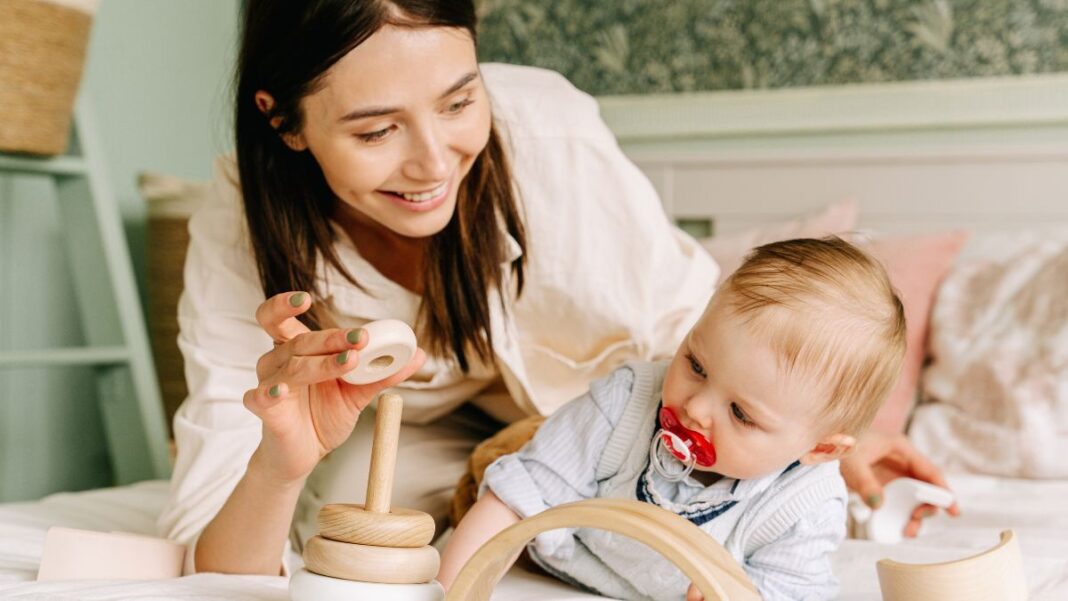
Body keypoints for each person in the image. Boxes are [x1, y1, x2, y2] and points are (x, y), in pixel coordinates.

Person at [159, 0, 958, 578]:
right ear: (284, 121)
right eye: (375, 131)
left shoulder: (553, 139)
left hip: (604, 417)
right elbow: (212, 553)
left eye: (460, 101)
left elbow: (707, 345)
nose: (435, 164)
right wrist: (279, 460)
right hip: (430, 438)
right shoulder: (244, 224)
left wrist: (798, 439)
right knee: (353, 520)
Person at [439, 237, 907, 600]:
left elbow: (792, 589)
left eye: (741, 414)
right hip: (567, 559)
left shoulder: (806, 503)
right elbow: (514, 501)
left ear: (820, 449)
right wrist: (452, 590)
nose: (695, 408)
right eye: (696, 365)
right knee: (503, 470)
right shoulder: (627, 401)